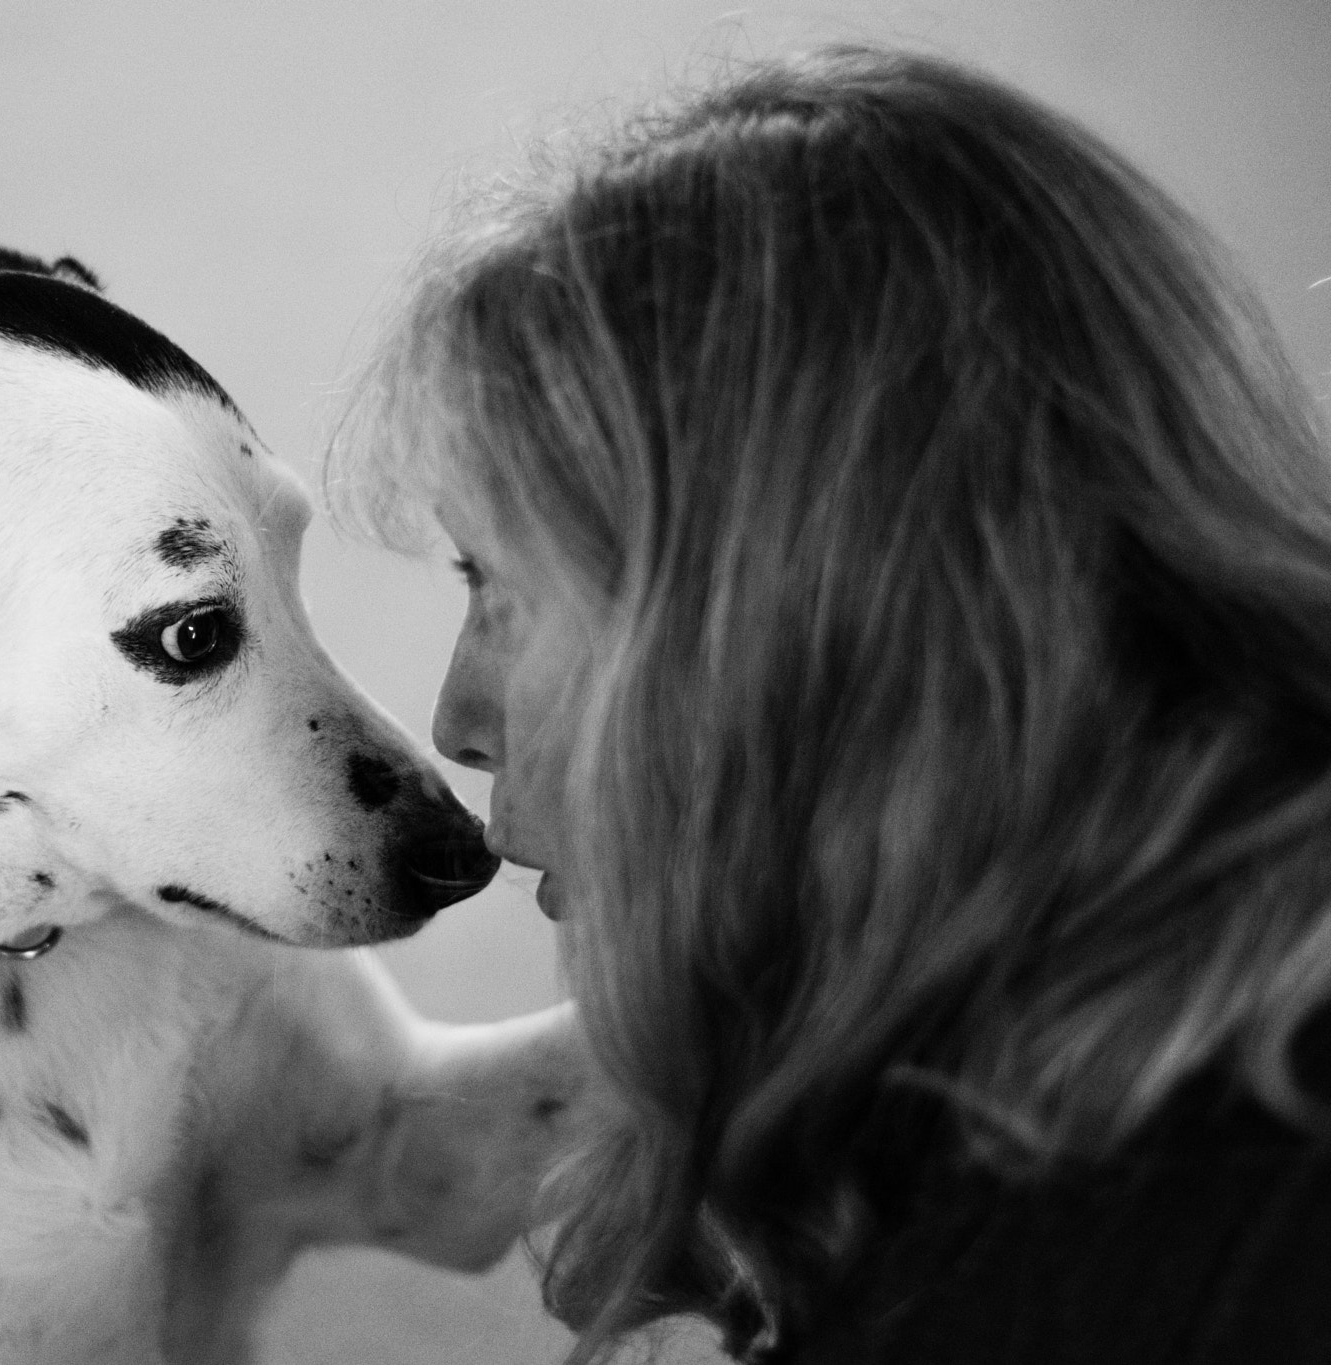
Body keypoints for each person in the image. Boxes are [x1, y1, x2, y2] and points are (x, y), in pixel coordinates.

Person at [330, 44, 1331, 1365]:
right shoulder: (1018, 1142)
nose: (455, 719)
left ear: (794, 602)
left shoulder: (1198, 1220)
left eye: (497, 583)